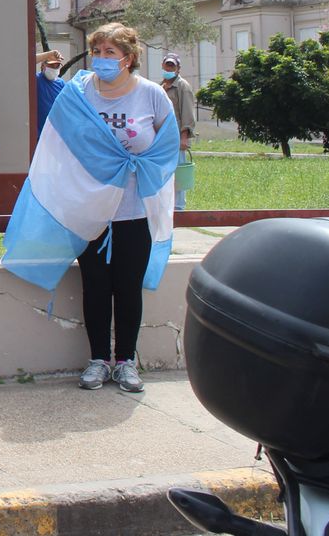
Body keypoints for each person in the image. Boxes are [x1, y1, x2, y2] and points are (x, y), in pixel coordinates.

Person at [74, 23, 175, 394]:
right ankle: (98, 360)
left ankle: (127, 362)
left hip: (135, 210)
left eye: (109, 54)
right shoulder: (81, 92)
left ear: (128, 59)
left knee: (127, 287)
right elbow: (63, 139)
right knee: (95, 286)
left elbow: (168, 146)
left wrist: (139, 166)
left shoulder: (151, 95)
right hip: (93, 210)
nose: (100, 60)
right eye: (96, 52)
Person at [159, 52, 197, 211]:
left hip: (176, 138)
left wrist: (184, 137)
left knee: (179, 172)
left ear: (178, 68)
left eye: (172, 65)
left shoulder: (182, 86)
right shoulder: (161, 87)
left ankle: (179, 207)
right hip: (162, 138)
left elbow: (187, 113)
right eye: (167, 65)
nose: (169, 68)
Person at [34, 49, 66, 142]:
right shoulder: (36, 80)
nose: (54, 68)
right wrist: (49, 54)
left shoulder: (61, 84)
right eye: (51, 65)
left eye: (57, 66)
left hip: (56, 134)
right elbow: (26, 62)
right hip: (39, 135)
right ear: (43, 66)